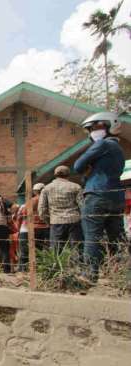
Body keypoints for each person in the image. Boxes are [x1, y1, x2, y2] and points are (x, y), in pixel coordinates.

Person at [74, 112, 126, 282]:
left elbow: (78, 165)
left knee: (91, 236)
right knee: (117, 238)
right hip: (116, 197)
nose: (92, 132)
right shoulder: (119, 149)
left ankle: (90, 274)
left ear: (111, 125)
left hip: (96, 195)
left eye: (96, 127)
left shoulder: (103, 144)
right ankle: (123, 273)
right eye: (90, 129)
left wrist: (87, 166)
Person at [38, 165, 84, 254]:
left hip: (56, 222)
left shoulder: (47, 188)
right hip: (74, 221)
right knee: (77, 250)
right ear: (68, 174)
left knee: (56, 252)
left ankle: (57, 268)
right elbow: (82, 205)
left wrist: (48, 221)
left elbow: (42, 209)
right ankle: (78, 267)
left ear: (55, 174)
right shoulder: (76, 187)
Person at [30, 183, 50, 250]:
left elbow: (26, 212)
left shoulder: (33, 200)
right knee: (48, 246)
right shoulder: (48, 199)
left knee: (36, 247)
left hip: (35, 226)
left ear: (35, 191)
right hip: (47, 225)